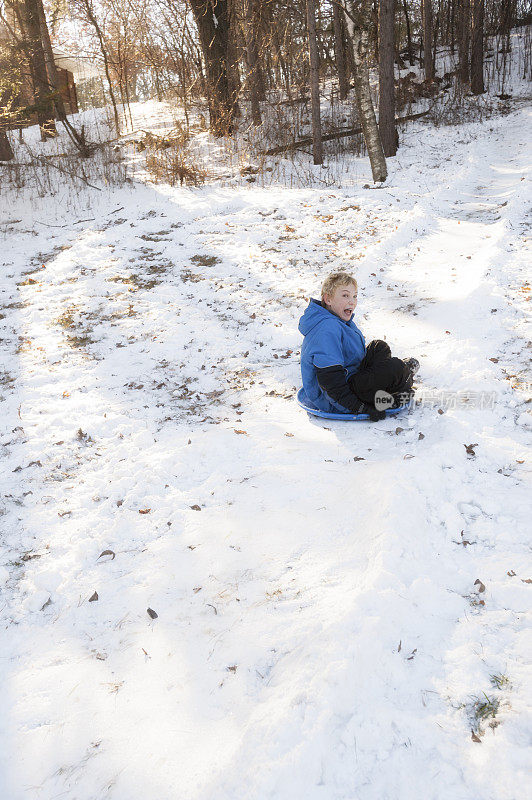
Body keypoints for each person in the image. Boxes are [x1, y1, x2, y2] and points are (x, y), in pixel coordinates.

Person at [298, 271, 419, 421]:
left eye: (355, 296)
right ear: (328, 299)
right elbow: (332, 384)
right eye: (345, 295)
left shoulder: (336, 320)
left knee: (378, 347)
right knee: (395, 367)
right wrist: (361, 408)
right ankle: (400, 382)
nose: (352, 301)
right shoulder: (326, 329)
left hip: (352, 379)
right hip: (337, 398)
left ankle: (397, 378)